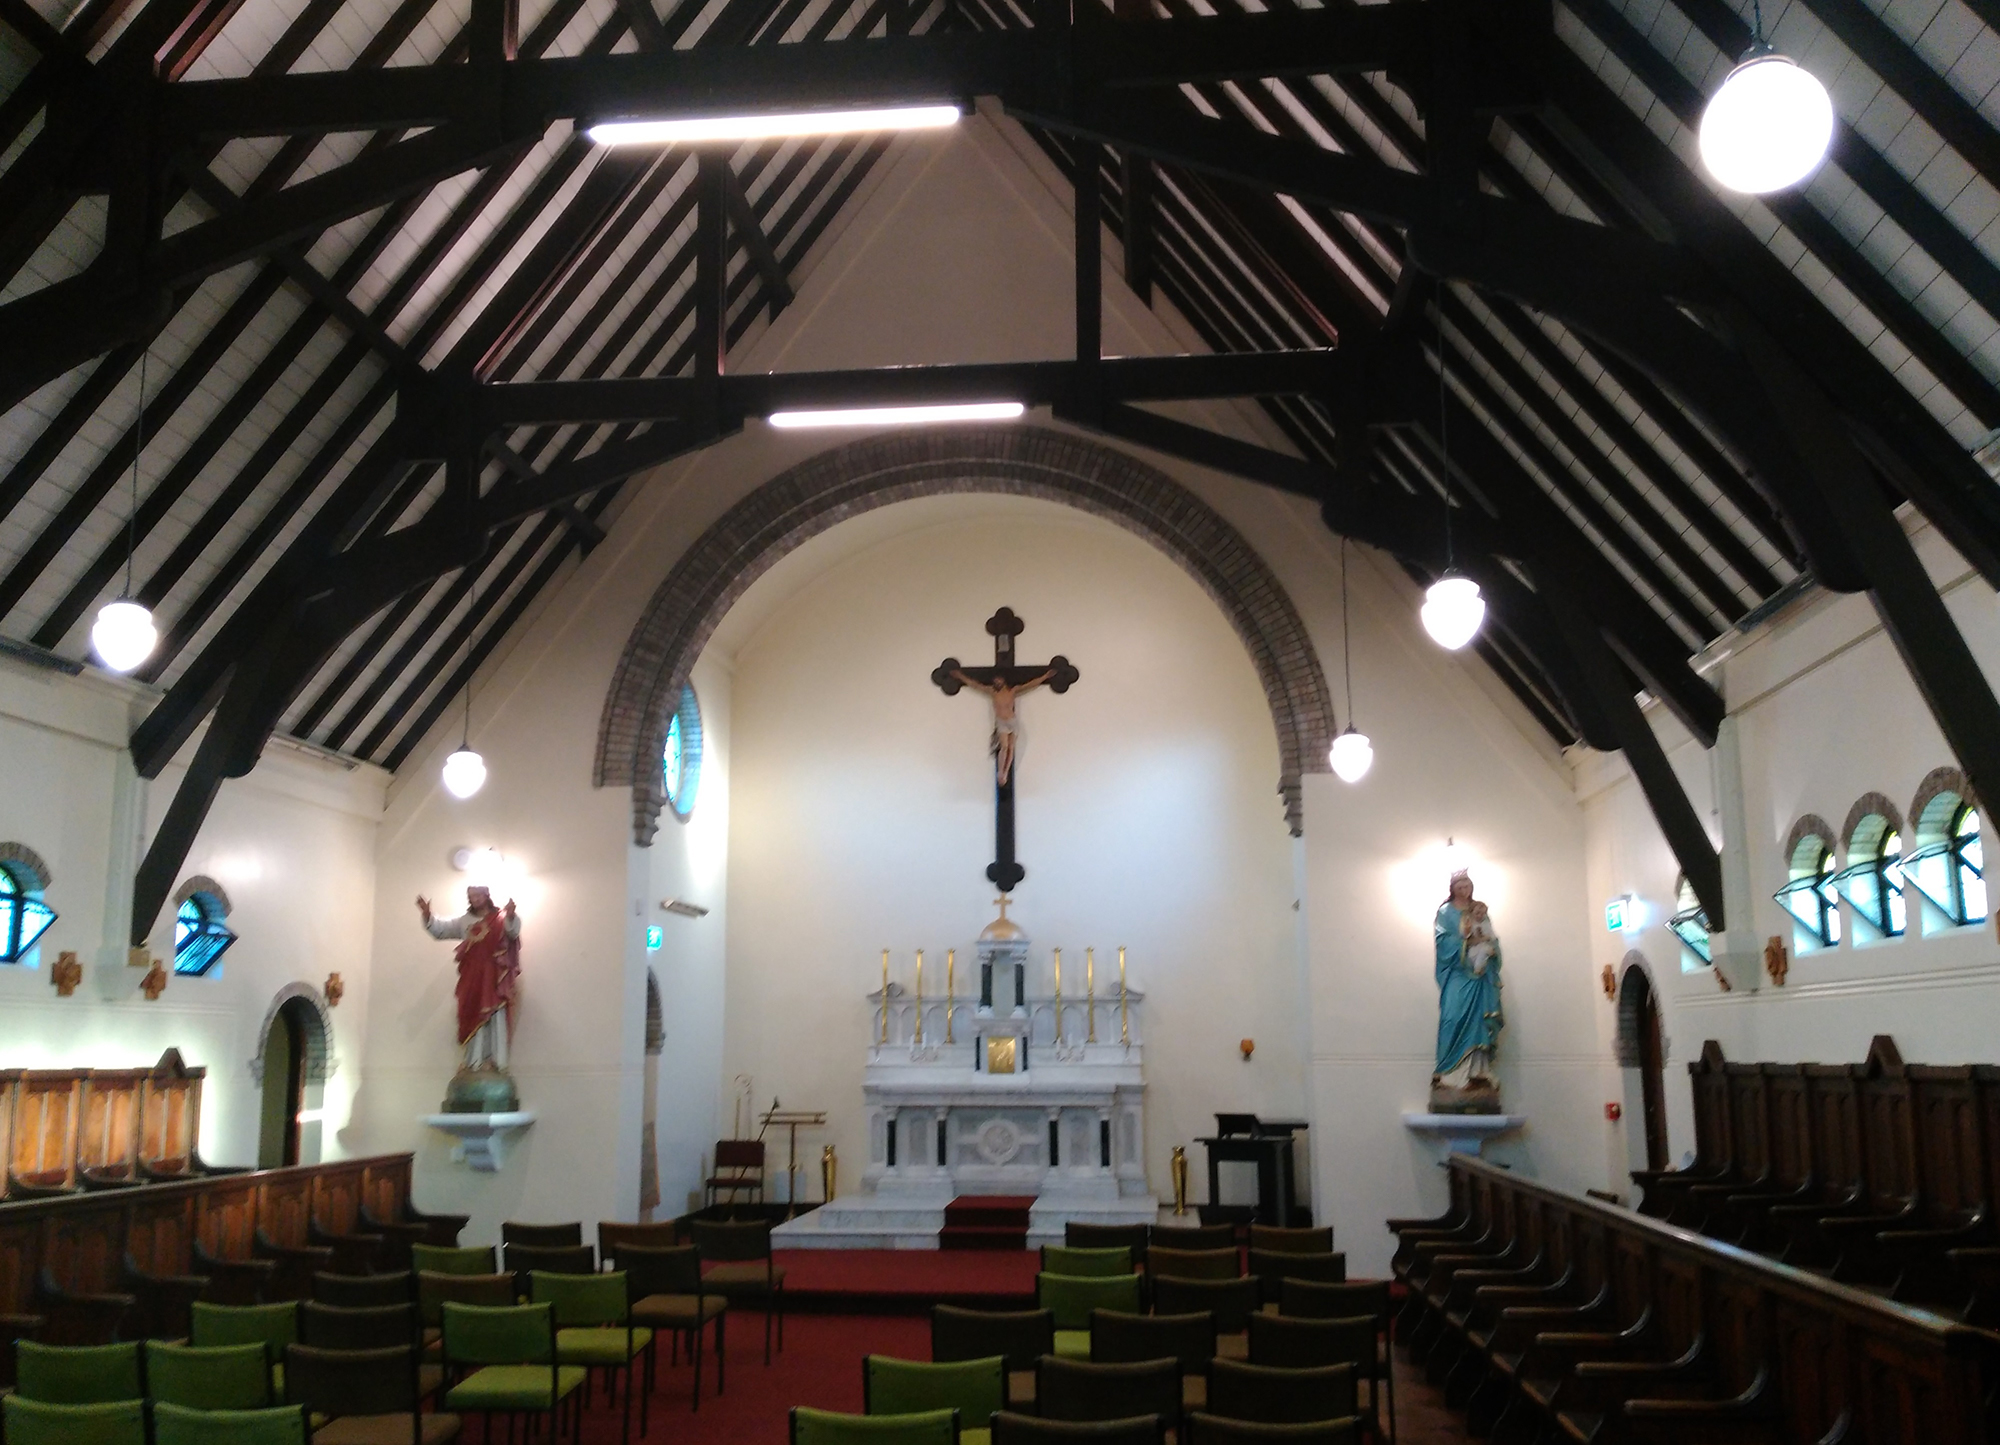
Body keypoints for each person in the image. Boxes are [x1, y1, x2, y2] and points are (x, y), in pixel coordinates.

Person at [417, 886, 520, 1071]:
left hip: (493, 977)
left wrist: (511, 916)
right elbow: (441, 930)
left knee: (494, 1016)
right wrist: (427, 916)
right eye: (470, 897)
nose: (473, 900)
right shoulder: (465, 921)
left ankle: (496, 1061)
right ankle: (474, 1062)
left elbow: (512, 932)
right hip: (471, 977)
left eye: (477, 896)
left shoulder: (501, 918)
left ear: (486, 896)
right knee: (471, 1014)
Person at [1433, 870, 1504, 1094]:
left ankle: (1477, 1071)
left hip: (1480, 976)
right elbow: (1442, 942)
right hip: (1457, 973)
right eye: (1460, 886)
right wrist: (1467, 942)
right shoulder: (1445, 912)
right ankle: (1448, 1074)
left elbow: (1491, 936)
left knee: (1479, 1020)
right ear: (1453, 888)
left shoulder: (1479, 910)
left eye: (1468, 885)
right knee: (1451, 1018)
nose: (1465, 890)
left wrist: (1491, 949)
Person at [951, 667, 1053, 785]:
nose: (997, 682)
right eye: (995, 681)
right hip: (1001, 722)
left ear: (1003, 680)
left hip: (1012, 721)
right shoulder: (991, 692)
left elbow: (1029, 685)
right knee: (1004, 747)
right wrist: (960, 676)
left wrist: (1045, 677)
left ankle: (1006, 771)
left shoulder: (1012, 691)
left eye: (999, 680)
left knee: (1011, 748)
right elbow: (975, 685)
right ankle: (1001, 772)